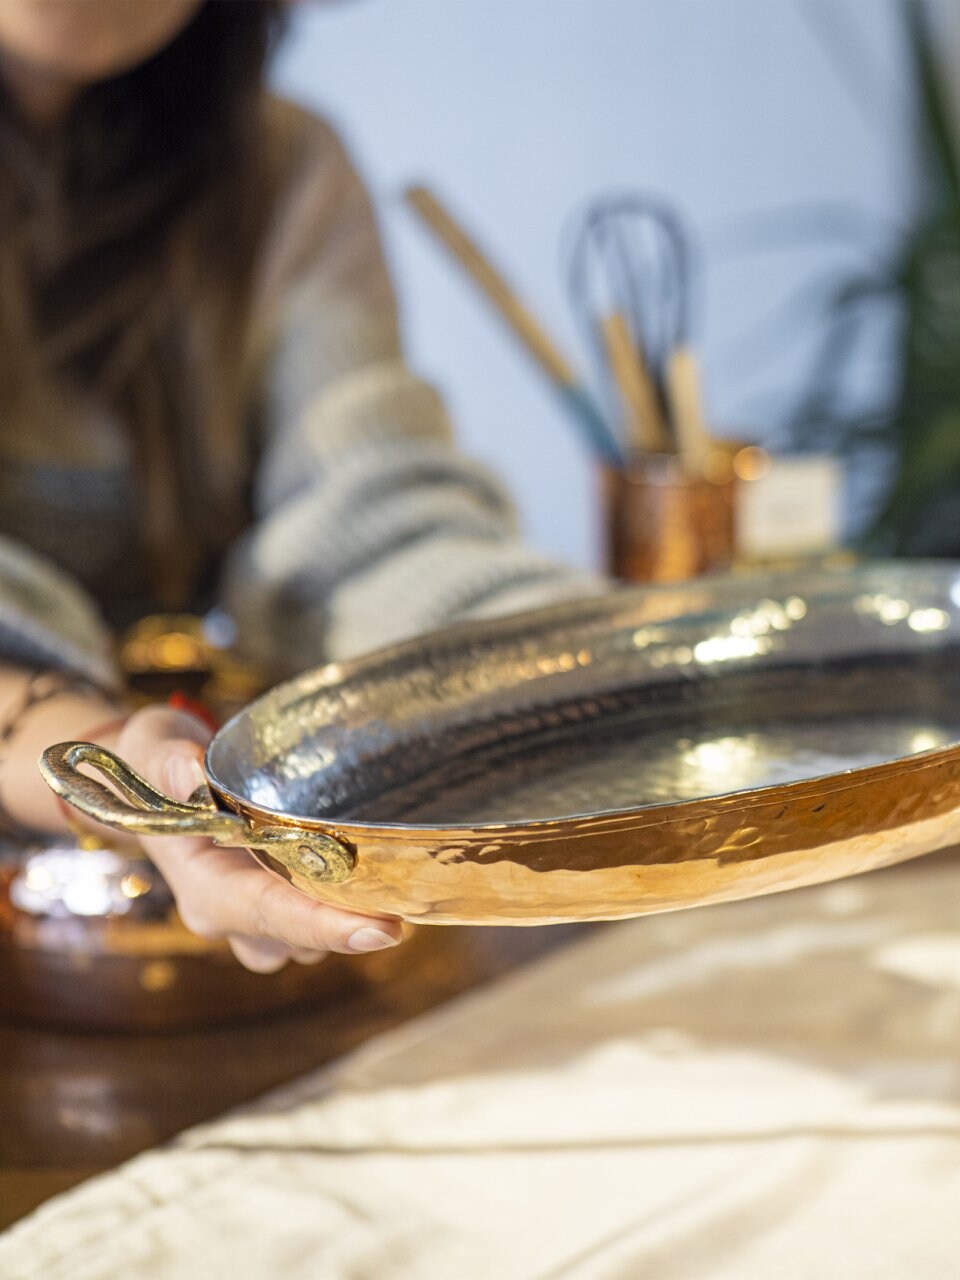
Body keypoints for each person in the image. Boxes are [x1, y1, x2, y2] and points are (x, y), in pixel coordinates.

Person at [0, 0, 597, 972]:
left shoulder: (286, 170)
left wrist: (593, 668)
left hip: (184, 885)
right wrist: (106, 757)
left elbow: (374, 522)